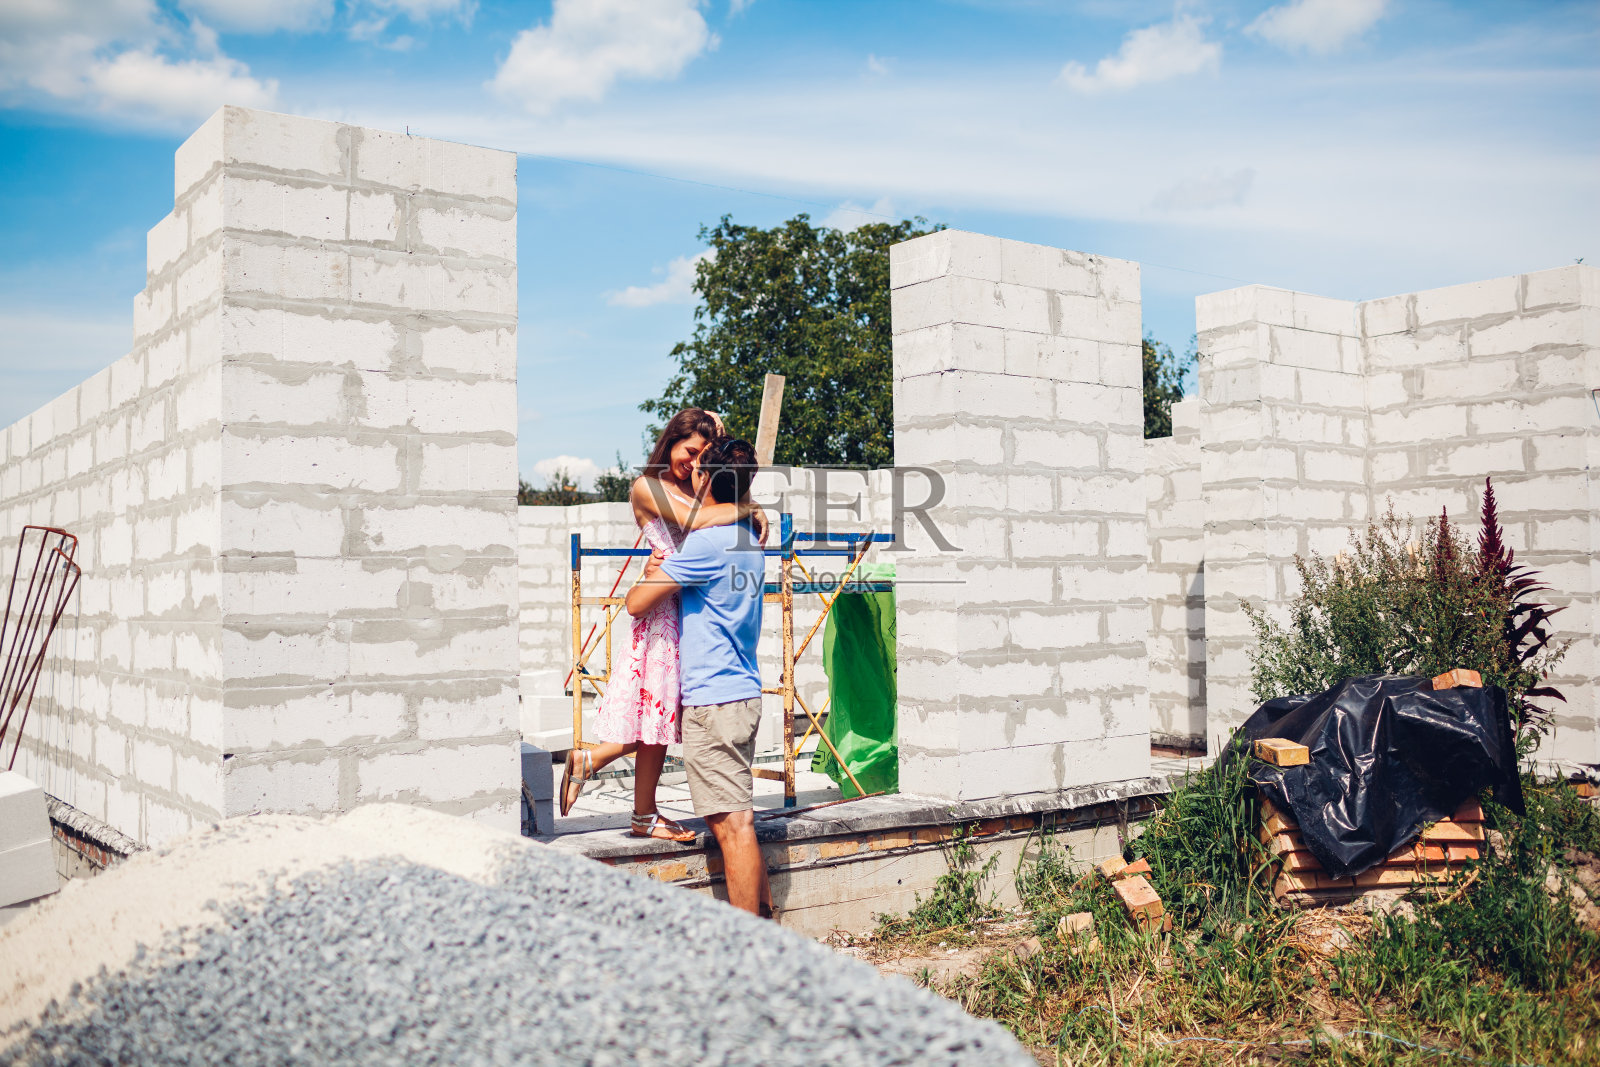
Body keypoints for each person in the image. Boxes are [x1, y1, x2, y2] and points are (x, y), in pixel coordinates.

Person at [558, 409, 764, 842]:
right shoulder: (647, 487)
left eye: (700, 457)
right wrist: (748, 506)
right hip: (660, 612)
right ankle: (613, 782)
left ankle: (637, 810)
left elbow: (717, 490)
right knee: (659, 714)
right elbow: (699, 521)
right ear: (671, 440)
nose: (692, 463)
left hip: (687, 608)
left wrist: (728, 476)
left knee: (661, 718)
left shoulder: (695, 487)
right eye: (688, 451)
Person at [625, 438, 772, 917]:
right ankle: (766, 918)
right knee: (739, 818)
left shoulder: (706, 544)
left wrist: (654, 569)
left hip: (715, 700)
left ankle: (750, 944)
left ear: (706, 478)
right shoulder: (749, 539)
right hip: (744, 692)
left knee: (731, 826)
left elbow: (636, 604)